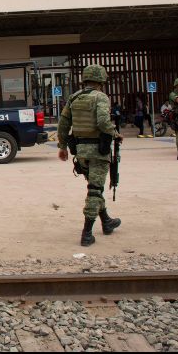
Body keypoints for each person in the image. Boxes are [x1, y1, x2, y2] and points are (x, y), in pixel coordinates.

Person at [57, 64, 123, 247]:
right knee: (94, 191)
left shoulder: (74, 98)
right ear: (101, 80)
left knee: (95, 187)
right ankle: (87, 234)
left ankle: (107, 222)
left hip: (81, 153)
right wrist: (116, 133)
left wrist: (62, 146)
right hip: (98, 153)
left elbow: (63, 124)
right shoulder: (100, 97)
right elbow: (103, 122)